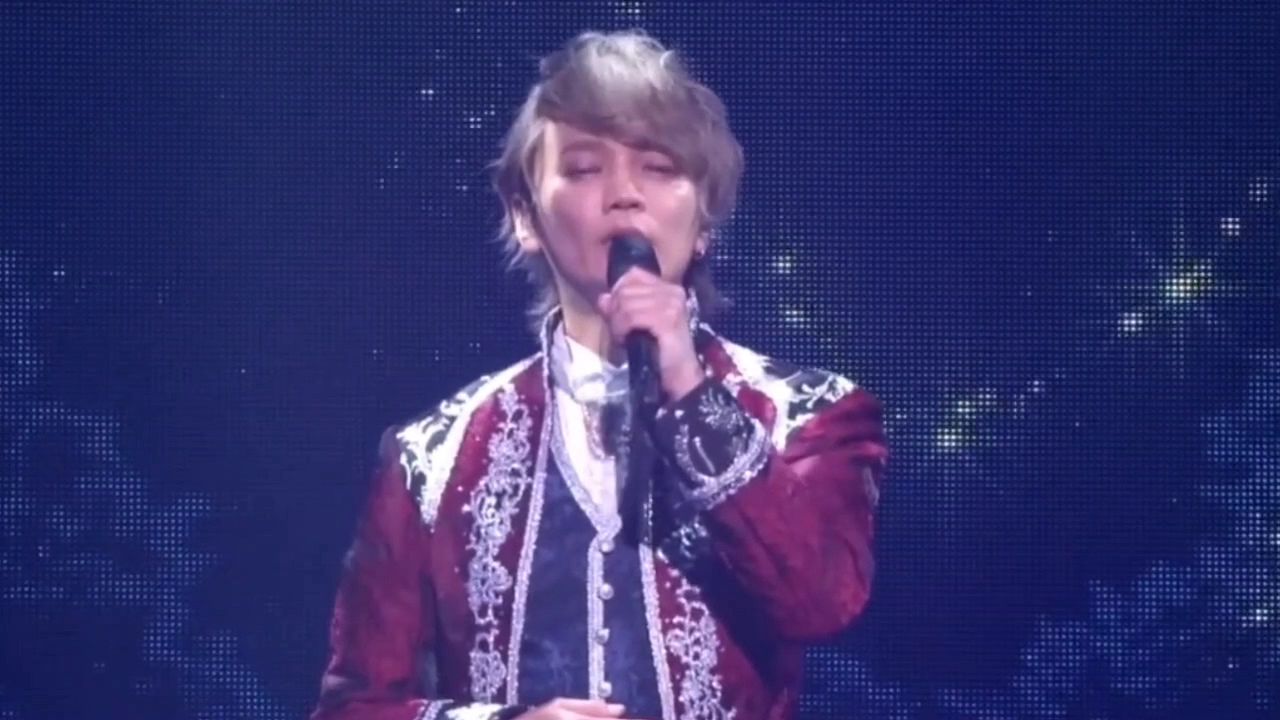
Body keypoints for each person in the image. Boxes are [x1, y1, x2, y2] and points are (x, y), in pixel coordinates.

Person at [310, 29, 888, 720]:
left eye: (660, 168)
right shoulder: (430, 457)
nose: (625, 195)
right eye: (584, 169)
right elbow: (354, 706)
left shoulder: (810, 414)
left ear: (704, 220)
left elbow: (822, 602)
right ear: (525, 215)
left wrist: (688, 388)